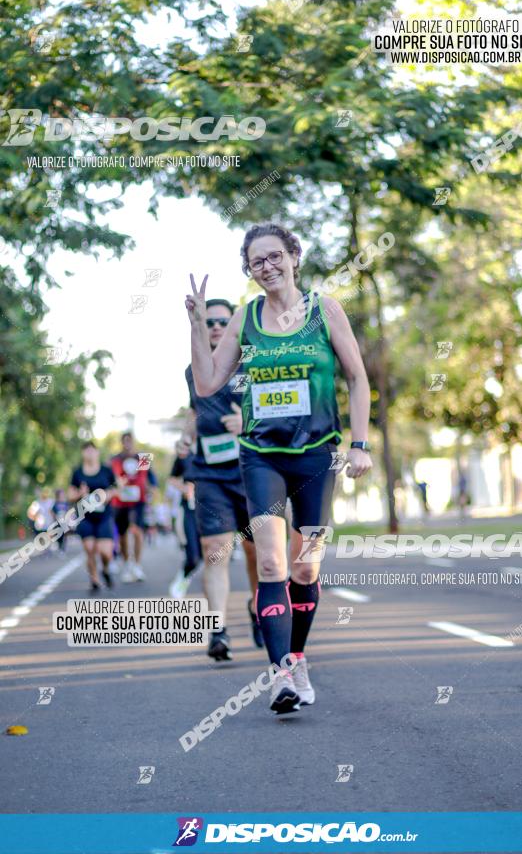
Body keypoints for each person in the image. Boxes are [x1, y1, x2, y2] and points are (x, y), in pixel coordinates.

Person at [185, 222, 372, 712]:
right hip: (261, 452)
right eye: (255, 262)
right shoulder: (246, 319)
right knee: (270, 560)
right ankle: (281, 675)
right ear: (248, 270)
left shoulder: (324, 310)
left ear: (293, 255)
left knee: (306, 568)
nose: (265, 267)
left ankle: (297, 655)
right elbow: (206, 384)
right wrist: (195, 324)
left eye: (273, 257)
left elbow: (356, 379)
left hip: (317, 454)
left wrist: (360, 444)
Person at [183, 299, 262, 660]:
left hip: (251, 468)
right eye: (209, 321)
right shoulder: (193, 370)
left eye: (222, 322)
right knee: (215, 550)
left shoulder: (253, 362)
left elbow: (276, 409)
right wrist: (187, 436)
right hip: (209, 473)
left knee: (256, 549)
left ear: (233, 326)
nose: (215, 327)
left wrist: (247, 422)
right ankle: (218, 631)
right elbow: (195, 409)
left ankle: (260, 608)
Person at [68, 441, 116, 592]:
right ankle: (94, 580)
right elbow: (70, 495)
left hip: (104, 516)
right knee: (89, 549)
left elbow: (116, 489)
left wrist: (106, 495)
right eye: (86, 450)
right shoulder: (77, 473)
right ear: (82, 453)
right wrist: (79, 494)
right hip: (85, 516)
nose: (89, 453)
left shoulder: (106, 471)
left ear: (97, 452)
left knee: (105, 552)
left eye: (92, 450)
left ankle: (106, 569)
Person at [110, 433, 154, 582]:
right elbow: (112, 480)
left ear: (134, 442)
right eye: (125, 441)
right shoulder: (115, 459)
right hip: (120, 502)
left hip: (138, 502)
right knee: (122, 535)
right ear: (122, 443)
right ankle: (127, 562)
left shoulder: (143, 458)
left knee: (137, 531)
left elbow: (150, 480)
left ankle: (137, 564)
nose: (128, 444)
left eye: (130, 441)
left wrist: (151, 493)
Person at [168, 438, 203, 600]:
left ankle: (186, 577)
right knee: (193, 556)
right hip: (189, 509)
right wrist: (184, 488)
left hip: (212, 507)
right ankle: (182, 579)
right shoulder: (184, 456)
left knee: (207, 554)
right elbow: (172, 478)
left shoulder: (209, 449)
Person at [53, 489, 70, 553]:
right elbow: (52, 511)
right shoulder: (56, 503)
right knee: (59, 534)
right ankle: (59, 546)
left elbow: (68, 510)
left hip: (64, 521)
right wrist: (55, 517)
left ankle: (63, 547)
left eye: (63, 494)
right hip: (58, 521)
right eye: (61, 494)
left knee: (65, 534)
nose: (62, 496)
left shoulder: (65, 503)